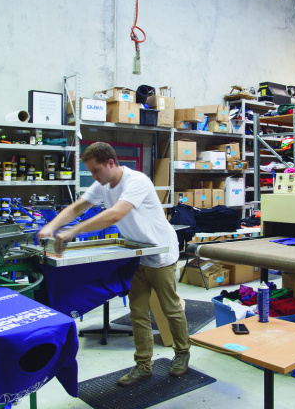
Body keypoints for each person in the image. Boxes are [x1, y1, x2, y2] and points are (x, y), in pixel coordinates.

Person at [38, 142, 190, 387]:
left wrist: (72, 231)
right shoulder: (103, 184)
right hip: (136, 253)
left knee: (170, 308)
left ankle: (182, 353)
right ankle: (143, 365)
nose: (94, 177)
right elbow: (78, 206)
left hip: (160, 252)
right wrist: (51, 226)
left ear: (110, 163)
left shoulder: (136, 181)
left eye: (96, 170)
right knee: (138, 312)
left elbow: (115, 214)